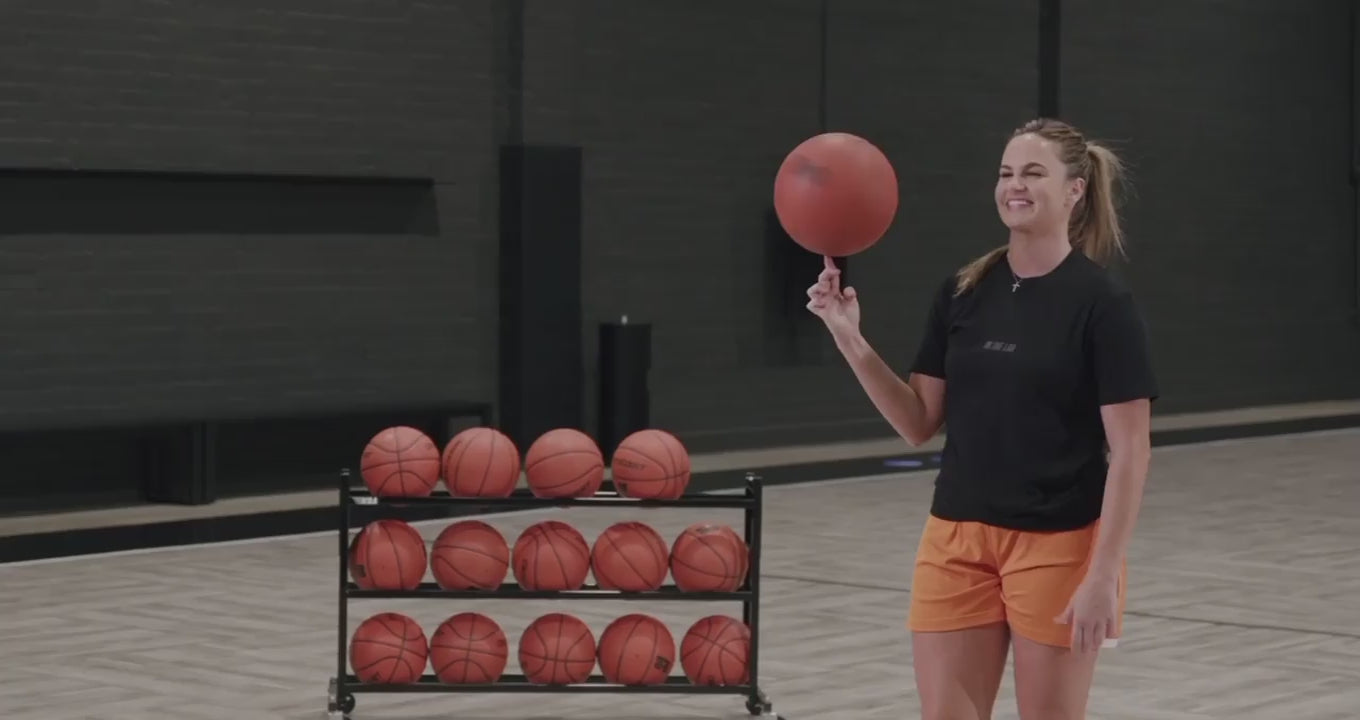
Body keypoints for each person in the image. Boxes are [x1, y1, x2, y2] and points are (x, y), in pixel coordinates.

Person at [805, 117, 1157, 719]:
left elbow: (1130, 452)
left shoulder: (1104, 304)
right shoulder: (964, 290)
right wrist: (849, 340)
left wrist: (1102, 577)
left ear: (1074, 190)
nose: (1013, 186)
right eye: (1005, 173)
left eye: (1033, 173)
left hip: (1059, 544)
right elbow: (919, 422)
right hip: (956, 539)